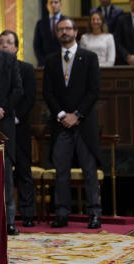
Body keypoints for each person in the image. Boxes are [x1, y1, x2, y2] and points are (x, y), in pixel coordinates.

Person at [43, 18, 102, 229]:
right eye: (60, 29)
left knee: (89, 170)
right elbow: (47, 92)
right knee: (61, 171)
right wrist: (61, 114)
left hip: (84, 124)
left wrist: (76, 115)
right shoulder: (50, 60)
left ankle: (94, 213)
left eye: (68, 28)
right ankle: (61, 213)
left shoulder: (89, 57)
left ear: (76, 32)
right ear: (57, 33)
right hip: (61, 125)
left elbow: (94, 91)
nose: (64, 32)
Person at [0, 17, 23, 235]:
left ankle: (9, 221)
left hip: (4, 124)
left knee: (6, 177)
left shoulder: (8, 59)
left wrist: (2, 109)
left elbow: (18, 90)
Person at [0, 30, 37, 227]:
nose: (5, 45)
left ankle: (28, 212)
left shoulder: (26, 68)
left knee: (23, 170)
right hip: (1, 125)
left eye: (9, 42)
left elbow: (28, 97)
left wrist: (15, 117)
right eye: (2, 42)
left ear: (16, 47)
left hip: (19, 126)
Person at [34, 0, 66, 65]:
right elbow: (37, 46)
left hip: (64, 63)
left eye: (56, 2)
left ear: (60, 5)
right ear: (47, 6)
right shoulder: (40, 23)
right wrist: (42, 62)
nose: (53, 5)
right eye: (50, 3)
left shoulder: (67, 22)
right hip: (45, 64)